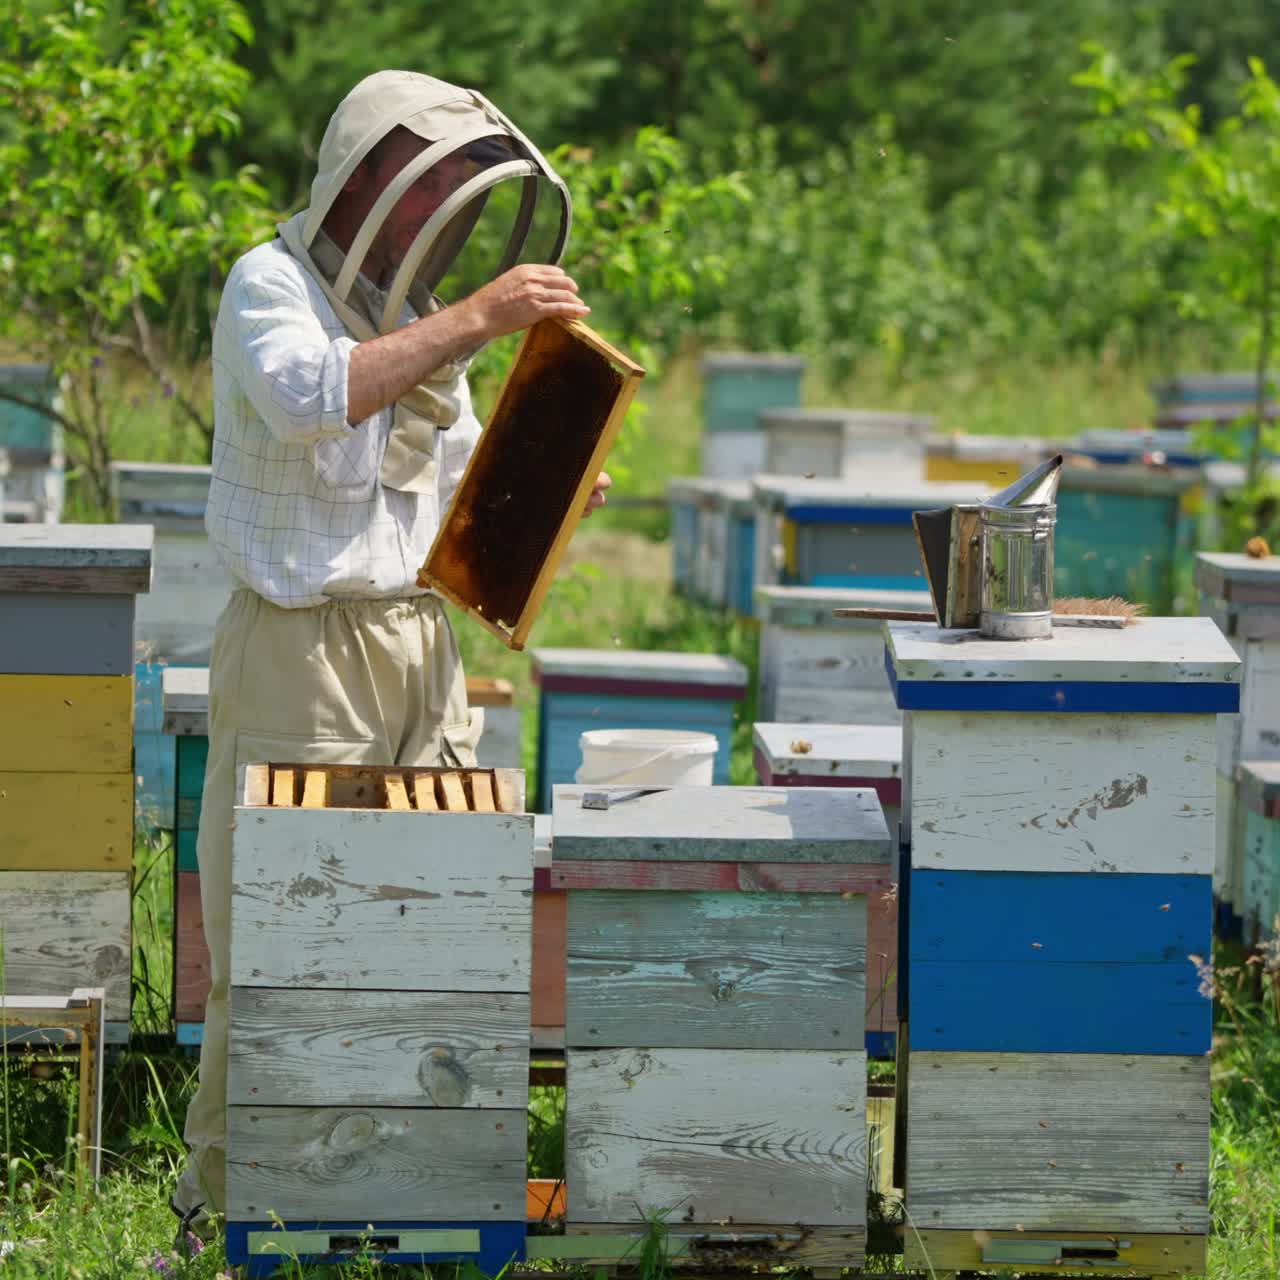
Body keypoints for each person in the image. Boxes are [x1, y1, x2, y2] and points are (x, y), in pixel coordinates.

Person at [170, 69, 606, 1237]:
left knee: (425, 920)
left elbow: (449, 482)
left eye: (466, 195)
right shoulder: (269, 286)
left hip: (416, 643)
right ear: (366, 178)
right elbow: (314, 397)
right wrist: (481, 314)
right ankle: (229, 1208)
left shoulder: (406, 320)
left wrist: (552, 485)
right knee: (281, 932)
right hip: (301, 649)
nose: (452, 219)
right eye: (438, 188)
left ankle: (395, 1194)